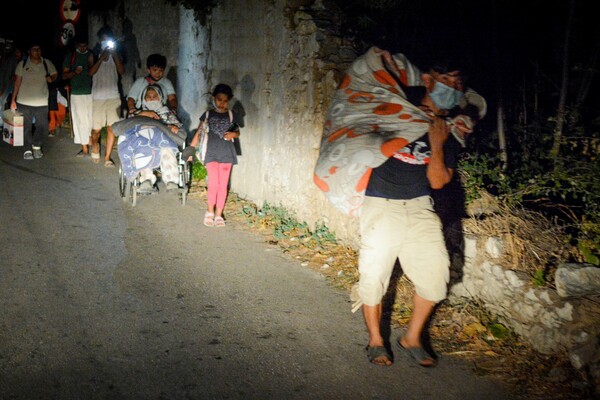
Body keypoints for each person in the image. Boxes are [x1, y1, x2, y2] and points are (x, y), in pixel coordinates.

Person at [313, 47, 486, 367]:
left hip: (420, 206)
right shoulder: (394, 110)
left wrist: (435, 143)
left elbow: (438, 180)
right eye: (447, 79)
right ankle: (376, 341)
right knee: (373, 276)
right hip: (381, 203)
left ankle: (411, 337)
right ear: (429, 80)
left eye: (459, 83)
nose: (454, 87)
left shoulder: (448, 130)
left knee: (436, 279)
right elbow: (356, 123)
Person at [187, 83, 241, 227]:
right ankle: (209, 211)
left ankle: (219, 214)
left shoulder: (231, 115)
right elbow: (199, 132)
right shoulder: (208, 115)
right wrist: (191, 150)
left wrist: (233, 134)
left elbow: (237, 132)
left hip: (227, 155)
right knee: (213, 184)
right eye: (219, 100)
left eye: (225, 101)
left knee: (223, 185)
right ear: (213, 98)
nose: (222, 104)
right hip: (211, 154)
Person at [118, 83, 186, 191]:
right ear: (143, 99)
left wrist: (174, 127)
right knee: (144, 149)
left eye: (155, 96)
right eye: (148, 97)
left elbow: (179, 128)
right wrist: (143, 115)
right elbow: (128, 126)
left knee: (167, 150)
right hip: (145, 141)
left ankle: (171, 181)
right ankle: (146, 180)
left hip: (163, 141)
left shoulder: (168, 114)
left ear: (160, 98)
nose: (151, 99)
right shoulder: (137, 113)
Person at [10, 42, 58, 160]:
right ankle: (27, 149)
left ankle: (36, 146)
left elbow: (55, 74)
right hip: (24, 101)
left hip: (41, 101)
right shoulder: (22, 64)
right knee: (26, 127)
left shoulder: (47, 63)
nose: (37, 51)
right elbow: (17, 82)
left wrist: (51, 78)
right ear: (29, 52)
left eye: (39, 49)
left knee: (43, 126)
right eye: (34, 49)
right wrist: (13, 99)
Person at [89, 26, 125, 167]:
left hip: (113, 95)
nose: (106, 44)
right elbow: (90, 73)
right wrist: (101, 58)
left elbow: (121, 71)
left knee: (112, 128)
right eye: (103, 41)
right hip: (98, 96)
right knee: (96, 129)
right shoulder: (94, 54)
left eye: (108, 41)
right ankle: (95, 146)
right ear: (99, 41)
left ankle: (108, 157)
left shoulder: (117, 53)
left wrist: (114, 55)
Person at [62, 34, 94, 156]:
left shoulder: (91, 54)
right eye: (80, 46)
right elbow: (64, 75)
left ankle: (90, 142)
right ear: (76, 45)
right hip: (76, 92)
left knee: (90, 119)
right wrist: (74, 72)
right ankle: (84, 147)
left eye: (84, 46)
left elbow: (94, 70)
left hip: (91, 91)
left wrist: (91, 61)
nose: (82, 48)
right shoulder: (71, 56)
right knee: (80, 120)